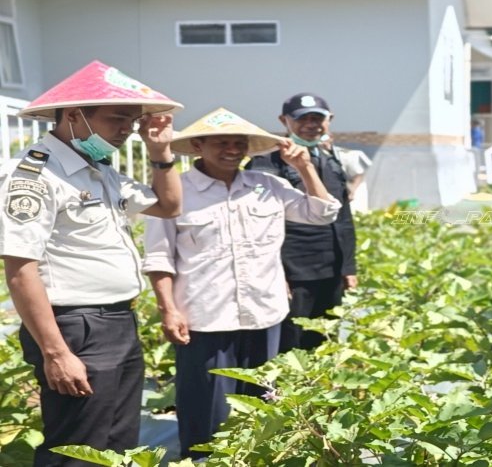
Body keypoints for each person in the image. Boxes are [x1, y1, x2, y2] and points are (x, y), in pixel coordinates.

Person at [0, 60, 183, 466]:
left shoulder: (101, 172)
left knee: (117, 444)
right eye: (118, 118)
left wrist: (160, 152)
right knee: (77, 447)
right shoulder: (33, 175)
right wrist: (56, 353)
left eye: (131, 121)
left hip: (118, 322)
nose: (126, 129)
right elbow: (20, 269)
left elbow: (168, 206)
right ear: (73, 115)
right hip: (74, 327)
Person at [141, 108, 340, 460]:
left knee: (262, 408)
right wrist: (168, 309)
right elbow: (158, 257)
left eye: (238, 143)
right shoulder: (175, 191)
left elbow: (322, 213)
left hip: (265, 314)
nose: (231, 149)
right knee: (206, 412)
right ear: (199, 145)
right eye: (221, 142)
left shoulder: (268, 186)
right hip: (204, 317)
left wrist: (304, 168)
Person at [246, 93, 357, 352]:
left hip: (330, 269)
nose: (311, 124)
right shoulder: (267, 161)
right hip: (293, 270)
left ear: (329, 121)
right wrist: (275, 272)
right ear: (283, 121)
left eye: (317, 119)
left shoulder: (331, 159)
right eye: (302, 119)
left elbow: (344, 218)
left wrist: (348, 267)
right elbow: (256, 223)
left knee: (324, 340)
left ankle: (319, 391)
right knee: (290, 343)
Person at [321, 137, 372, 212]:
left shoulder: (344, 154)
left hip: (349, 191)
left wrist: (352, 192)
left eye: (323, 138)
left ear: (331, 139)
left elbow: (358, 174)